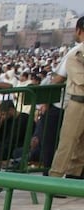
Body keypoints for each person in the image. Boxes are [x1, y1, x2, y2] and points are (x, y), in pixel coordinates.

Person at [47, 17, 84, 179]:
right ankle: (56, 178)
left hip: (77, 102)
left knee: (78, 146)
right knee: (68, 143)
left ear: (78, 30)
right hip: (78, 102)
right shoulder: (76, 55)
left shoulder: (75, 53)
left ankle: (72, 177)